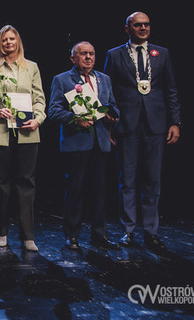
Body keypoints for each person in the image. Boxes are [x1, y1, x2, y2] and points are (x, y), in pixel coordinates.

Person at [104, 12, 181, 255]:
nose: (143, 28)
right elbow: (107, 91)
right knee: (127, 180)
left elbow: (170, 89)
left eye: (146, 24)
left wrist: (175, 122)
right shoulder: (114, 55)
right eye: (138, 25)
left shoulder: (162, 53)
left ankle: (151, 231)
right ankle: (128, 230)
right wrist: (110, 124)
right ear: (127, 28)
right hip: (127, 125)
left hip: (156, 124)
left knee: (153, 180)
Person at [48, 41, 120, 251]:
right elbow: (53, 110)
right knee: (76, 190)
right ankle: (72, 236)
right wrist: (74, 119)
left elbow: (114, 107)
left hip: (100, 143)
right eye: (83, 54)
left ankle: (99, 234)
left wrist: (112, 117)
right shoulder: (62, 79)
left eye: (91, 54)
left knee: (99, 191)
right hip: (77, 143)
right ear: (73, 58)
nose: (88, 57)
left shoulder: (104, 79)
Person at [0, 25, 46, 252]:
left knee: (26, 183)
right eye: (4, 40)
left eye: (12, 39)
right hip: (1, 131)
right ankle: (1, 231)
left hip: (28, 131)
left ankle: (28, 236)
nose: (8, 43)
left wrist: (38, 119)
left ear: (18, 41)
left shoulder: (32, 67)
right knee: (1, 184)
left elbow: (39, 99)